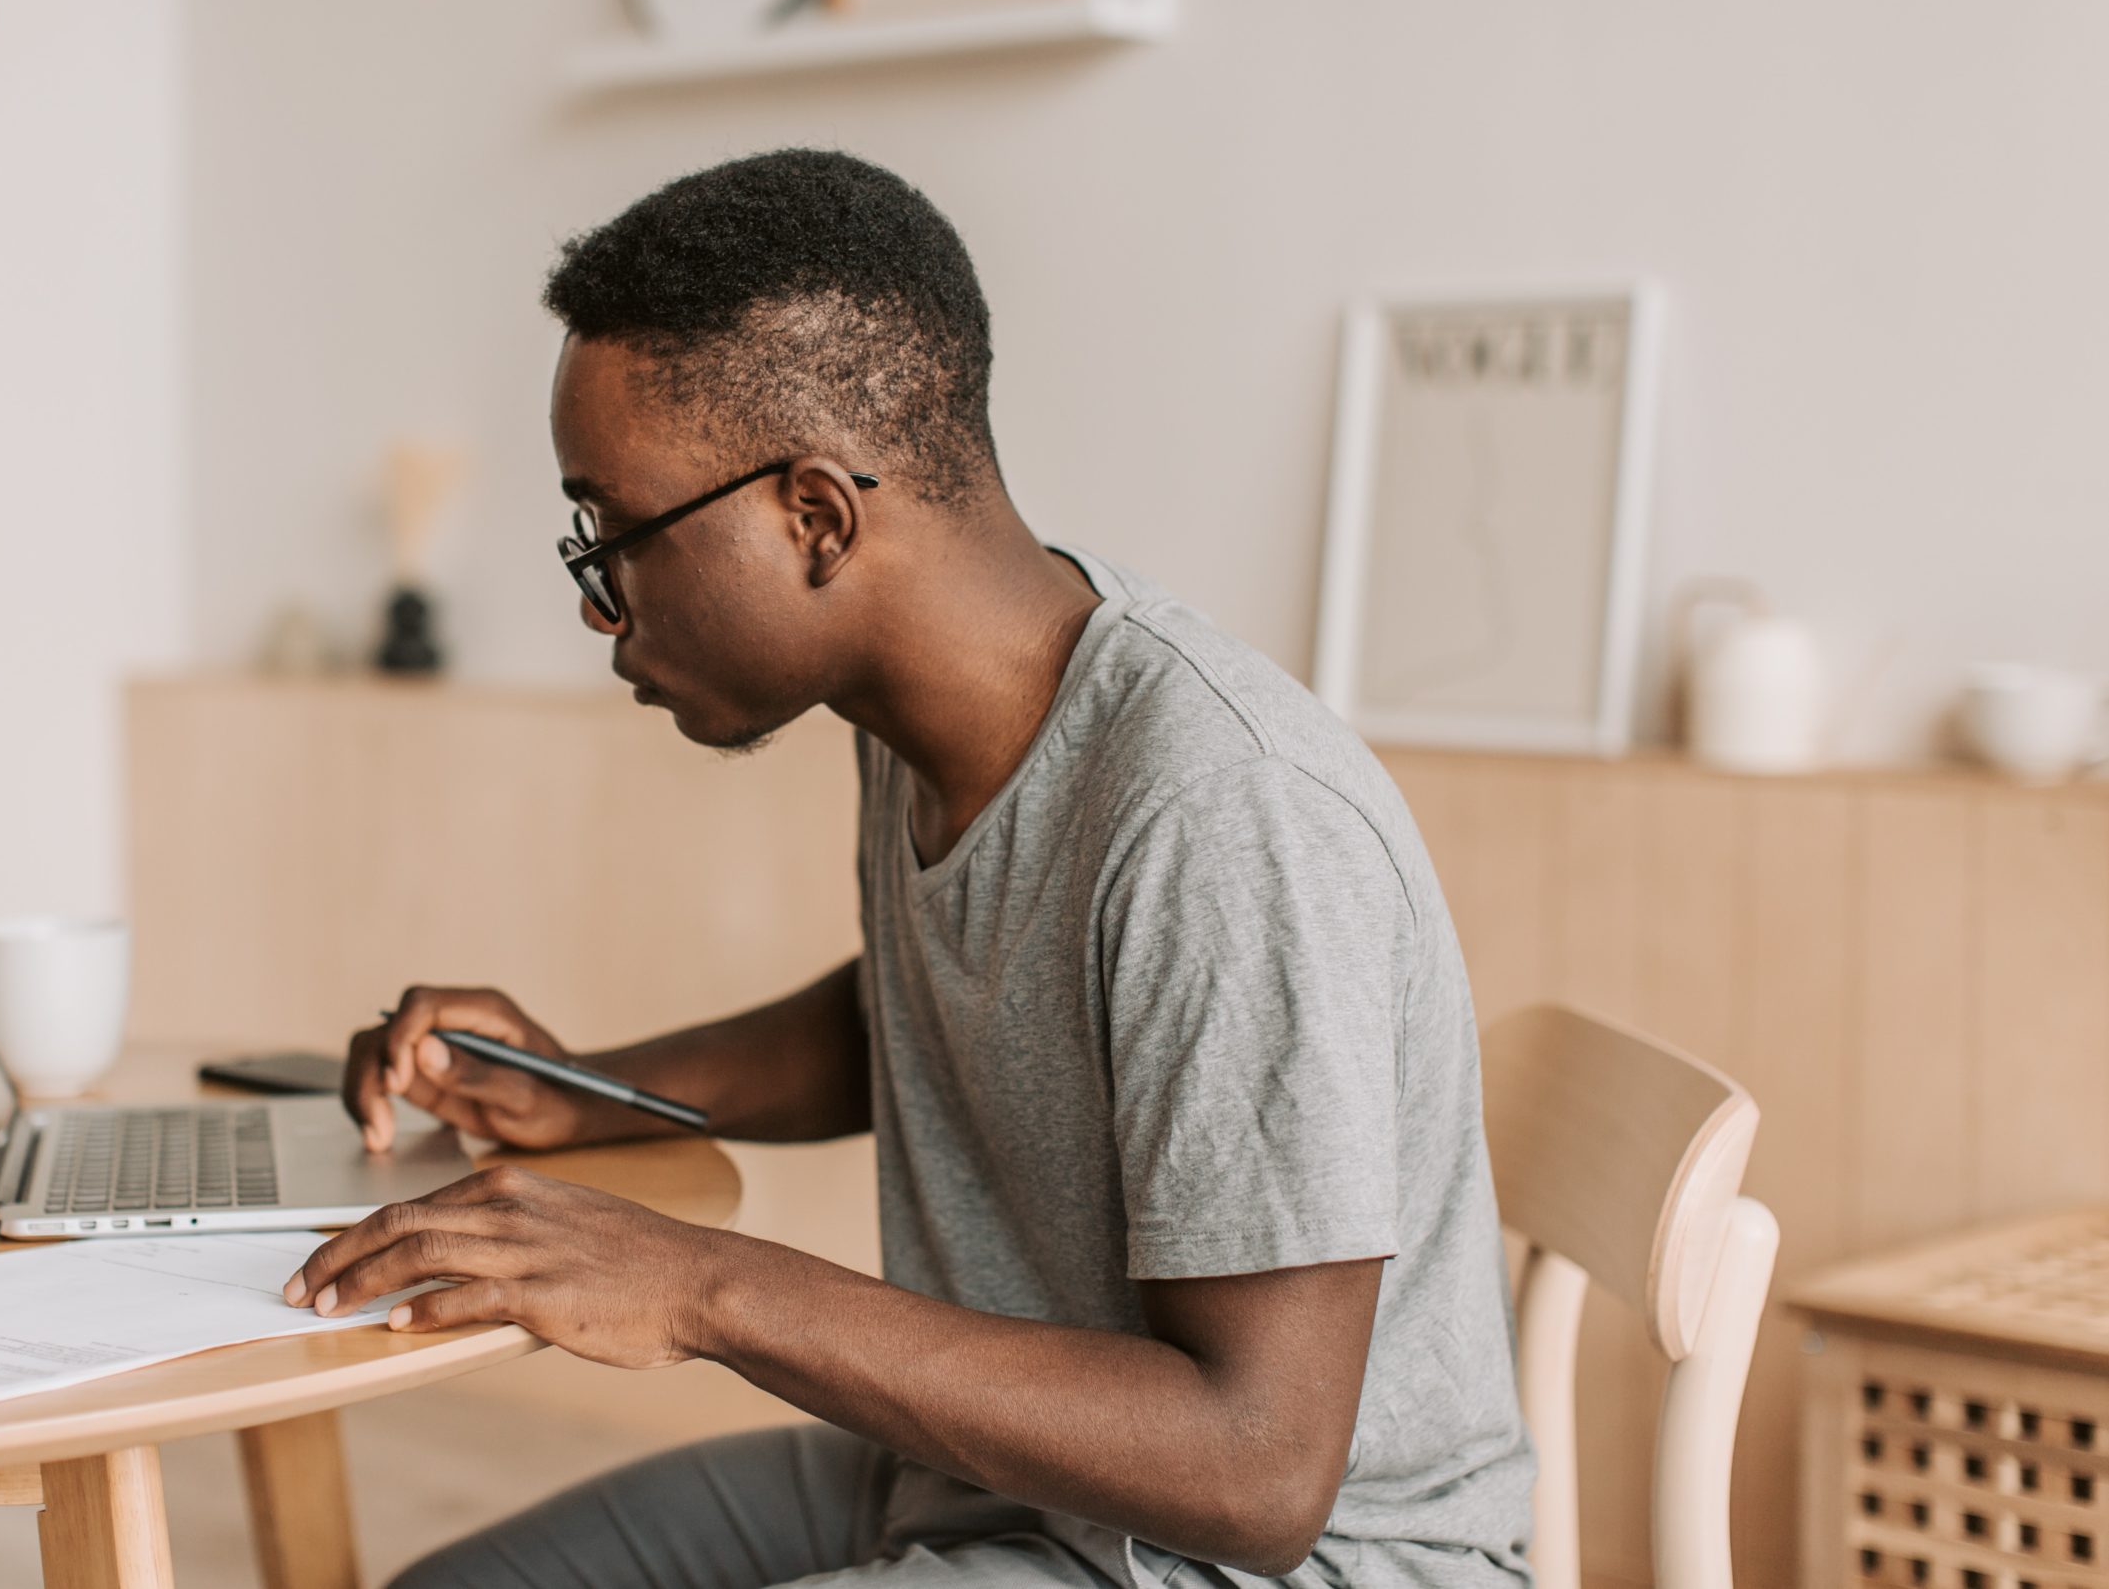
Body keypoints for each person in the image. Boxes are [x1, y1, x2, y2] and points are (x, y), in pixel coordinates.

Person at [283, 150, 1533, 1588]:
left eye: (612, 535)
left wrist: (699, 1283)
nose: (595, 605)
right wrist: (590, 1091)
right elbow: (936, 1012)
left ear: (813, 516)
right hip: (1000, 1484)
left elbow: (1258, 1468)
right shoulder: (934, 711)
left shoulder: (1222, 812)